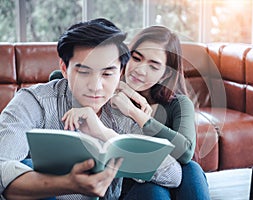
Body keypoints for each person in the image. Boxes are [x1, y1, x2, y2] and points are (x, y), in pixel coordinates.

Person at [0, 18, 180, 200]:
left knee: (154, 192)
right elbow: (1, 166)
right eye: (84, 72)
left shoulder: (123, 110)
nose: (96, 86)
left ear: (121, 71)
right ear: (64, 68)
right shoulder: (35, 101)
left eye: (107, 73)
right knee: (27, 166)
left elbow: (173, 175)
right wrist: (66, 184)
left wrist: (106, 134)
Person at [110, 26, 211, 200]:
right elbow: (60, 76)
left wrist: (135, 113)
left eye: (153, 66)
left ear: (165, 75)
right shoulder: (108, 87)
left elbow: (186, 153)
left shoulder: (177, 103)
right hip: (124, 186)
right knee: (153, 189)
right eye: (136, 58)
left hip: (170, 178)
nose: (140, 70)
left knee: (191, 169)